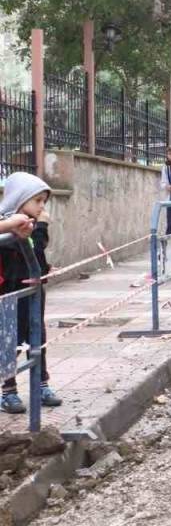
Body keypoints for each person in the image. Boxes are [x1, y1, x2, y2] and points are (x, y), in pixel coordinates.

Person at [0, 172, 62, 413]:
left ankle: (41, 384)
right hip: (10, 290)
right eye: (37, 200)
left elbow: (37, 252)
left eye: (44, 201)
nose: (42, 206)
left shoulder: (29, 223)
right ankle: (8, 391)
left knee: (38, 337)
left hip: (33, 292)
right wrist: (41, 226)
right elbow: (27, 246)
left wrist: (45, 268)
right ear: (19, 198)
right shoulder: (9, 224)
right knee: (10, 340)